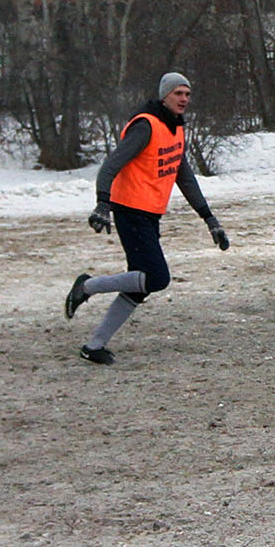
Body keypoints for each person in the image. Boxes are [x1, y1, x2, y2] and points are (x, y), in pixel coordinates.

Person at [63, 72, 229, 365]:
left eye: (188, 94)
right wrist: (103, 204)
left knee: (138, 287)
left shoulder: (175, 129)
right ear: (164, 95)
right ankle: (86, 287)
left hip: (149, 214)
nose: (184, 99)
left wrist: (209, 219)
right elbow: (109, 166)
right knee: (156, 278)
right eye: (178, 93)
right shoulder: (146, 125)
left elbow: (185, 178)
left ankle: (94, 345)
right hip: (130, 211)